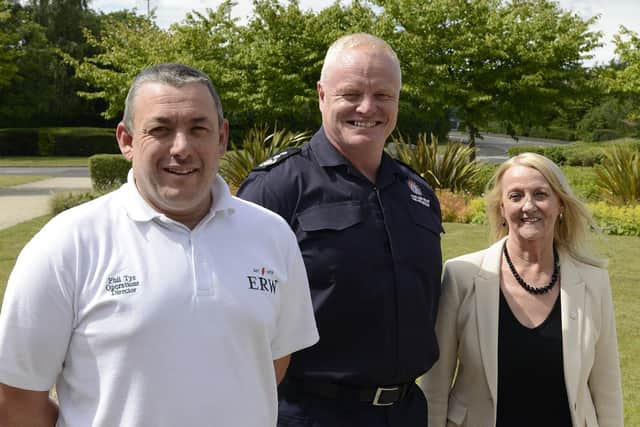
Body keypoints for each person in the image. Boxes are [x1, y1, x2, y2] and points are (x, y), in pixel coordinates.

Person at [0, 63, 319, 427]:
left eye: (198, 128)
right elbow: (17, 400)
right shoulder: (65, 244)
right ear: (127, 140)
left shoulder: (272, 235)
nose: (181, 148)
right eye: (160, 130)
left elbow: (269, 363)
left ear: (221, 138)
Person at [237, 33, 444, 426]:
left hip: (405, 412)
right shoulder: (279, 188)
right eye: (351, 94)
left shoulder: (415, 192)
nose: (367, 107)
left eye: (383, 95)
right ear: (321, 95)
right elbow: (239, 310)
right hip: (311, 411)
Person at [419, 152, 624, 427]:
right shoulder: (462, 276)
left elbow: (607, 388)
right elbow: (434, 387)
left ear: (560, 204)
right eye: (515, 196)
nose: (529, 206)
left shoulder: (593, 281)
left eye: (540, 194)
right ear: (501, 208)